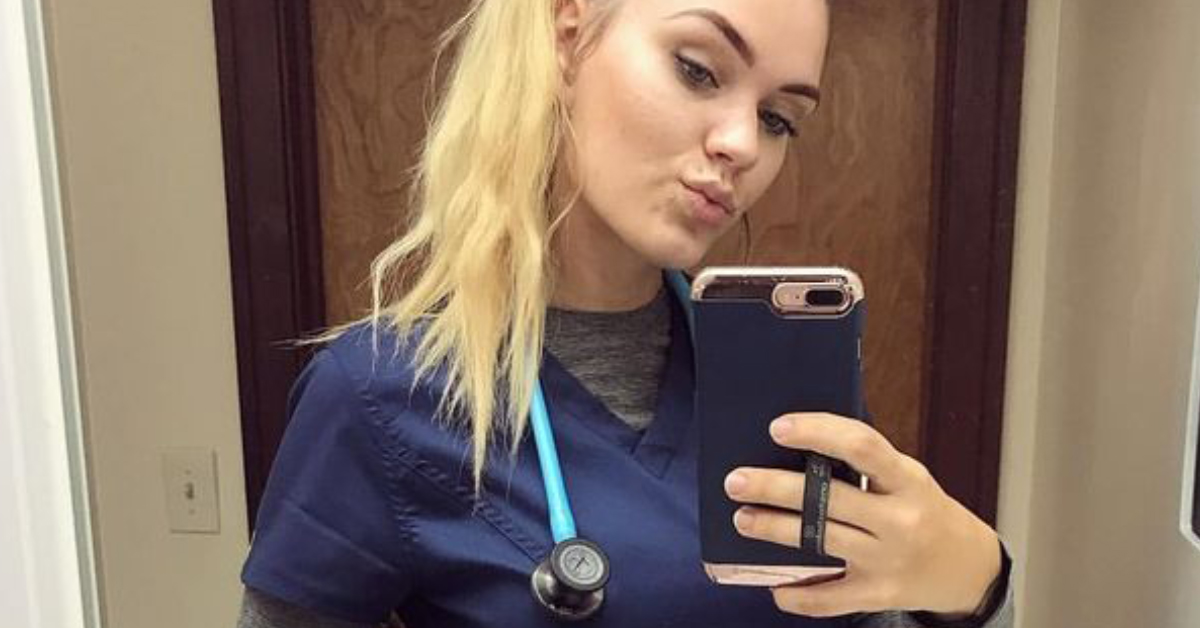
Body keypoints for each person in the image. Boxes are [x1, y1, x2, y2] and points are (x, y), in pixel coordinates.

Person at [237, 0, 1015, 626]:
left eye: (779, 118)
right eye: (698, 70)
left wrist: (976, 588)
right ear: (567, 32)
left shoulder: (779, 388)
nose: (743, 143)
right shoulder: (379, 399)